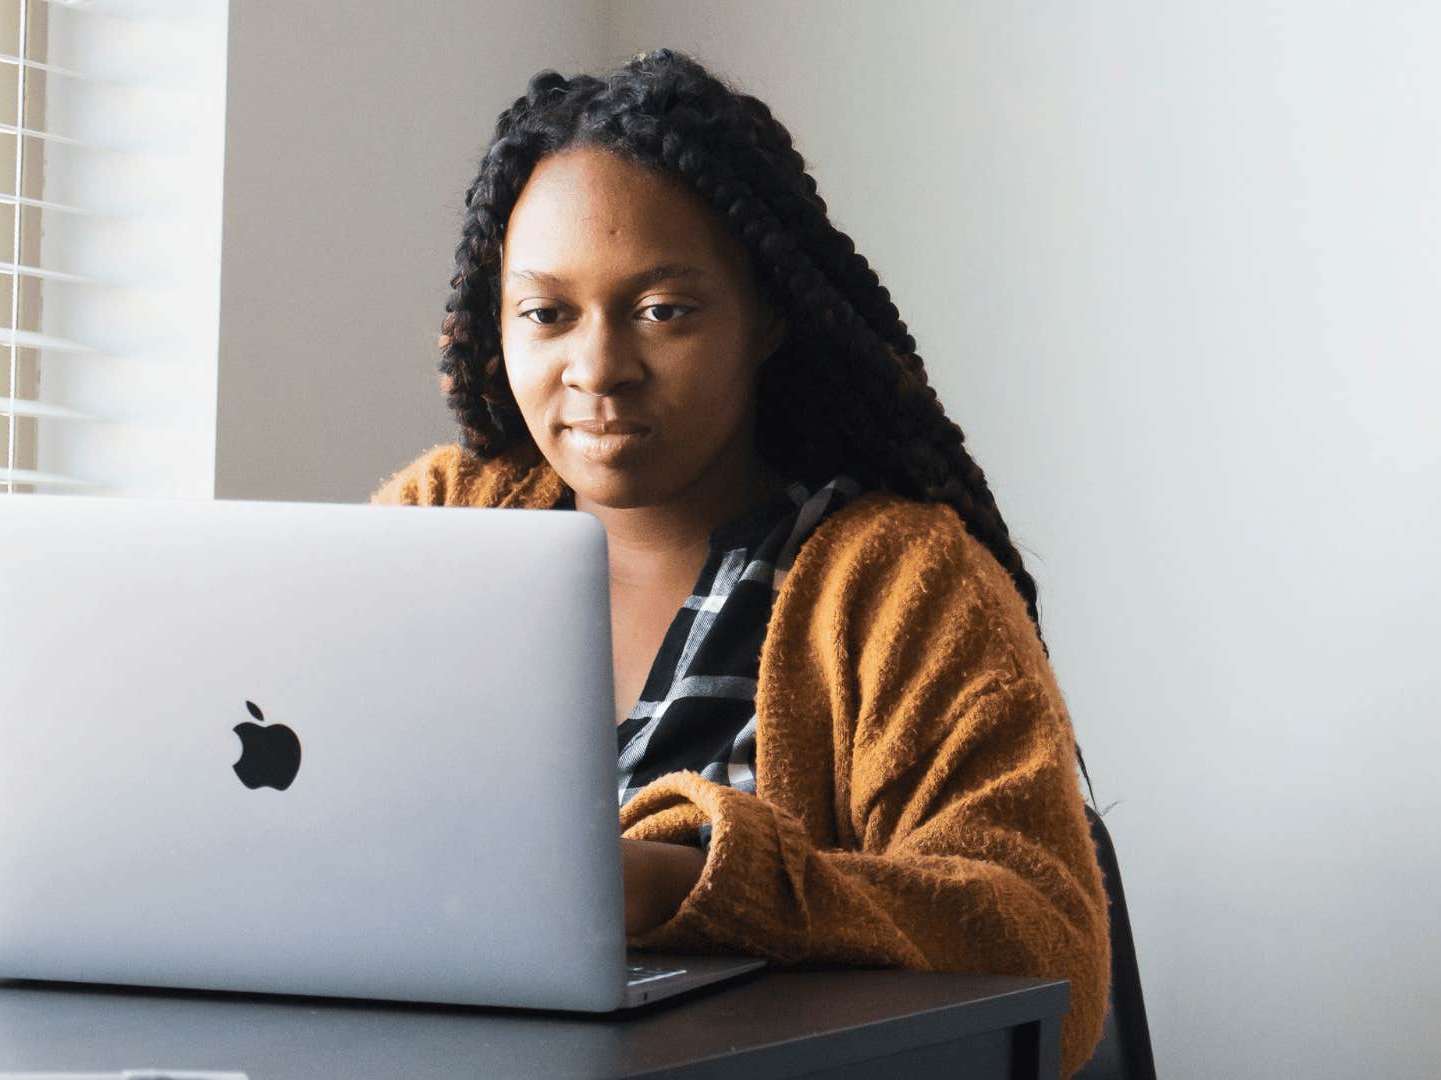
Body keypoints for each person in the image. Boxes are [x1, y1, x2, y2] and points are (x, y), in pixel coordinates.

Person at [371, 49, 1111, 1077]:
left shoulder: (898, 581)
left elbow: (1044, 949)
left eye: (664, 310)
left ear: (765, 318)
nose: (597, 367)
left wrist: (687, 884)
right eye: (547, 313)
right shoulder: (440, 524)